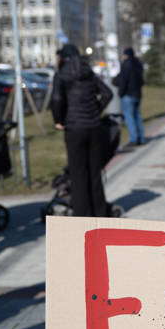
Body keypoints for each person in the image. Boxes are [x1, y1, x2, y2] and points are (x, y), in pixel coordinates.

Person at [52, 45, 114, 217]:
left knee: (78, 175)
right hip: (94, 127)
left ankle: (83, 216)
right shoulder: (88, 73)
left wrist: (58, 120)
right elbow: (107, 94)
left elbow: (57, 99)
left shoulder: (61, 75)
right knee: (95, 173)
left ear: (64, 58)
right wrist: (95, 111)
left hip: (73, 129)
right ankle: (100, 213)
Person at [113, 47, 146, 146]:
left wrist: (120, 93)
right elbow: (141, 81)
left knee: (129, 117)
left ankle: (134, 139)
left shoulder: (126, 65)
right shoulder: (138, 64)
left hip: (128, 94)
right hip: (137, 94)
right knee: (137, 116)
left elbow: (123, 81)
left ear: (126, 55)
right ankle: (141, 138)